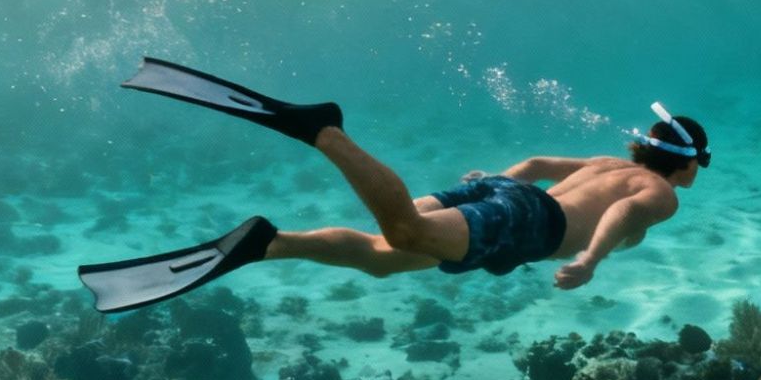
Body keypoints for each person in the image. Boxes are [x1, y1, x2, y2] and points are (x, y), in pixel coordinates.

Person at [77, 58, 708, 313]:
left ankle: (266, 244)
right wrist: (591, 259)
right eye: (700, 164)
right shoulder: (663, 195)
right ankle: (324, 131)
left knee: (383, 259)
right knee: (403, 229)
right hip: (529, 227)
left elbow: (540, 162)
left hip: (511, 204)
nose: (696, 175)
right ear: (684, 163)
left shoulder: (605, 161)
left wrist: (496, 182)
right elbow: (621, 217)